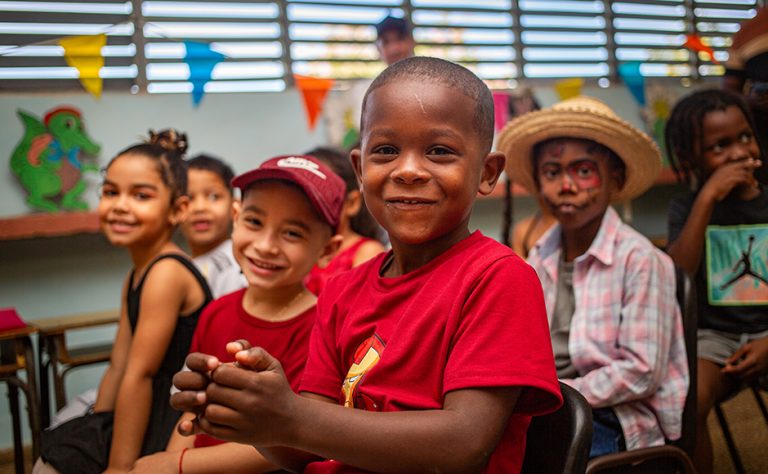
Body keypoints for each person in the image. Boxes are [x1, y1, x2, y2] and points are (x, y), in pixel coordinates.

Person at [170, 57, 562, 473]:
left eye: (440, 151)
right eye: (386, 150)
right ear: (360, 169)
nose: (408, 170)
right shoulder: (342, 290)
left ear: (487, 173)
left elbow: (463, 442)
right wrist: (252, 417)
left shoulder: (497, 278)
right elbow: (305, 447)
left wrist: (291, 417)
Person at [498, 96, 689, 457]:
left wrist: (559, 393)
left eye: (583, 171)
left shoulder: (641, 260)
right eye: (552, 172)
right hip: (551, 404)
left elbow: (642, 371)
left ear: (613, 179)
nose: (566, 185)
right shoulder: (540, 257)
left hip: (618, 414)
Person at [131, 155, 346, 473]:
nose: (266, 245)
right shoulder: (216, 311)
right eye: (254, 222)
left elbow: (296, 441)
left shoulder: (320, 326)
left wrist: (177, 465)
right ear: (236, 216)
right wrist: (166, 461)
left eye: (292, 234)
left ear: (327, 250)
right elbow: (193, 412)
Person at [35, 130, 213, 474]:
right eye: (110, 192)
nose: (120, 205)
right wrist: (96, 428)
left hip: (175, 414)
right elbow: (119, 364)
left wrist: (119, 467)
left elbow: (141, 374)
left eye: (141, 195)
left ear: (178, 209)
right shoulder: (137, 272)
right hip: (142, 408)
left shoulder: (166, 272)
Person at [664, 88, 767, 474]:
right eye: (719, 146)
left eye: (745, 137)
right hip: (714, 340)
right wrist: (706, 198)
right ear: (692, 158)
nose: (739, 152)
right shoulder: (686, 208)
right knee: (687, 398)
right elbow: (677, 276)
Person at [303, 146, 385, 294]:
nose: (309, 206)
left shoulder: (367, 252)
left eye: (321, 196)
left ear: (352, 203)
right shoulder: (300, 253)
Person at [181, 154, 246, 298]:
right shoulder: (185, 266)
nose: (200, 207)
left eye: (214, 197)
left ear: (234, 207)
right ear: (176, 209)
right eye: (189, 198)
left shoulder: (233, 265)